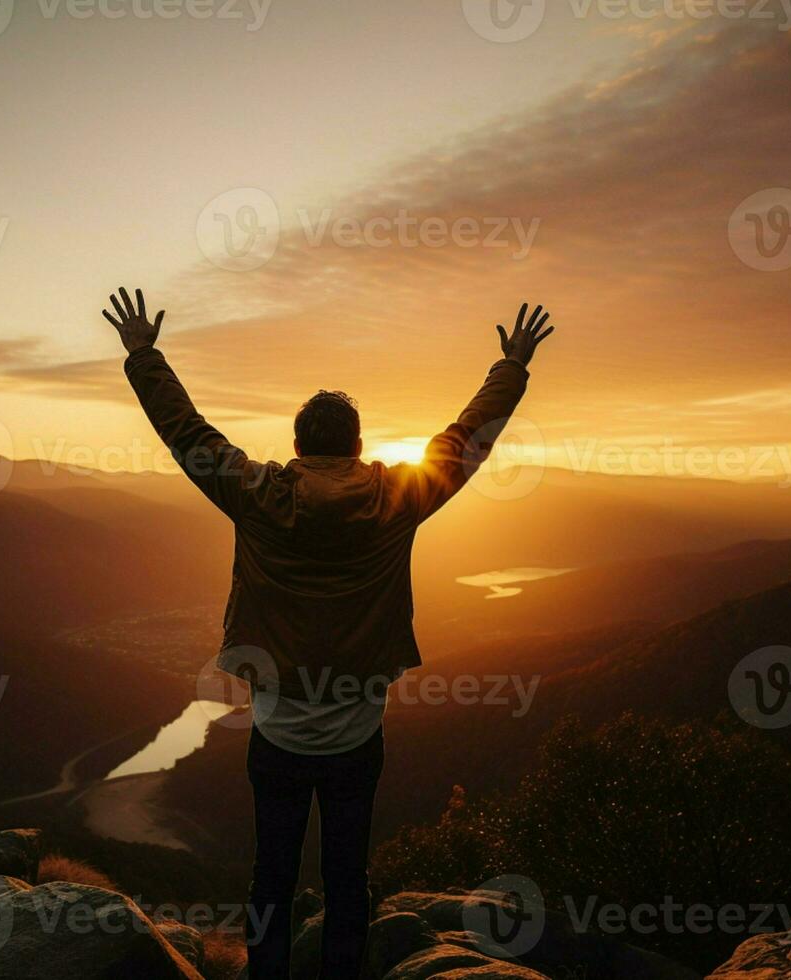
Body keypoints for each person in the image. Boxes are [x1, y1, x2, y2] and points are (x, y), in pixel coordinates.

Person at [102, 288, 554, 979]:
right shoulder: (394, 498)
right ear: (358, 446)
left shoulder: (257, 494)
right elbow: (464, 442)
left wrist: (143, 355)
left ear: (296, 446)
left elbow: (186, 433)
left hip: (278, 733)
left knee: (270, 877)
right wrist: (511, 367)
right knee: (349, 878)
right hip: (356, 736)